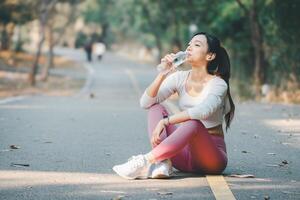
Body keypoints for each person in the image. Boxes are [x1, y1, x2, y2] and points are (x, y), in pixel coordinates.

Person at [113, 32, 235, 179]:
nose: (189, 48)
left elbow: (203, 111)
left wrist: (166, 121)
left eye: (196, 45)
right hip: (183, 157)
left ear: (210, 56)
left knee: (193, 124)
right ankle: (163, 162)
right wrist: (163, 74)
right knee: (155, 108)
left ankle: (146, 161)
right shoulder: (180, 77)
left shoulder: (218, 83)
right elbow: (145, 103)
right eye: (189, 44)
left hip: (211, 159)